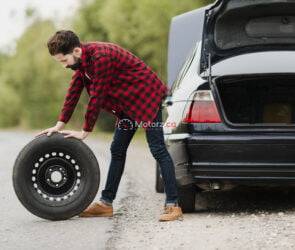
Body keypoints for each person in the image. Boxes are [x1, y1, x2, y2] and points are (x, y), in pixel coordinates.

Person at [36, 30, 183, 222]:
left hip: (146, 96)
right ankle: (106, 204)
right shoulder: (83, 64)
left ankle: (173, 205)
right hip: (128, 104)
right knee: (117, 149)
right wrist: (59, 125)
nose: (64, 66)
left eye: (64, 60)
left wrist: (85, 130)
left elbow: (97, 96)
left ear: (77, 51)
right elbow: (73, 92)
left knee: (157, 149)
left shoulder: (101, 57)